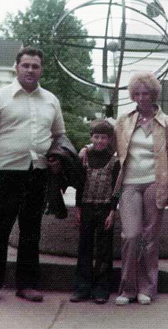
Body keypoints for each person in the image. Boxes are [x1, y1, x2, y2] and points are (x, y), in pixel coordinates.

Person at [0, 46, 66, 305]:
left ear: (41, 69)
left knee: (31, 232)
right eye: (25, 65)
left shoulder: (51, 100)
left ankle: (27, 285)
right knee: (0, 231)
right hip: (5, 173)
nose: (30, 70)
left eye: (35, 66)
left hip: (37, 174)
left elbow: (59, 136)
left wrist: (57, 160)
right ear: (16, 67)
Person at [114, 71, 168, 306]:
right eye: (138, 93)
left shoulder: (167, 123)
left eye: (147, 93)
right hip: (129, 184)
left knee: (150, 238)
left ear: (154, 95)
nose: (142, 97)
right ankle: (127, 289)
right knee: (131, 235)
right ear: (133, 95)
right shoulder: (124, 120)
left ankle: (147, 288)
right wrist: (89, 150)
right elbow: (115, 149)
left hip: (156, 182)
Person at [70, 119, 120, 304]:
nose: (99, 141)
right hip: (87, 207)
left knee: (104, 250)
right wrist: (78, 209)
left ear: (109, 139)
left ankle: (101, 288)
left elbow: (116, 189)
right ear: (91, 137)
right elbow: (79, 185)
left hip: (105, 208)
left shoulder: (114, 161)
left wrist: (112, 212)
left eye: (104, 138)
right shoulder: (84, 158)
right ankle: (81, 287)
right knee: (84, 247)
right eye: (96, 137)